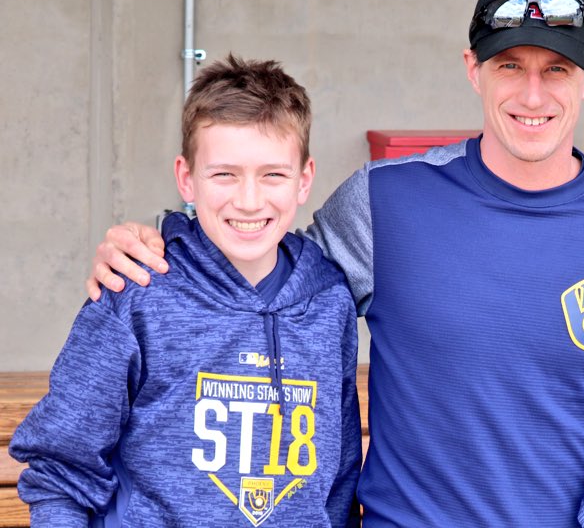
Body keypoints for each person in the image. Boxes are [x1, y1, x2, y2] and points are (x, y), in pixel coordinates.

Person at [86, 0, 584, 527]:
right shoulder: (384, 203)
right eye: (509, 66)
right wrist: (159, 241)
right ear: (473, 68)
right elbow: (256, 264)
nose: (531, 95)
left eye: (557, 69)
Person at [12, 55, 362, 526]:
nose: (249, 200)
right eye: (224, 174)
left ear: (304, 180)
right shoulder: (135, 290)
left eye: (273, 174)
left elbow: (336, 478)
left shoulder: (328, 301)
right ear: (186, 178)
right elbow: (62, 469)